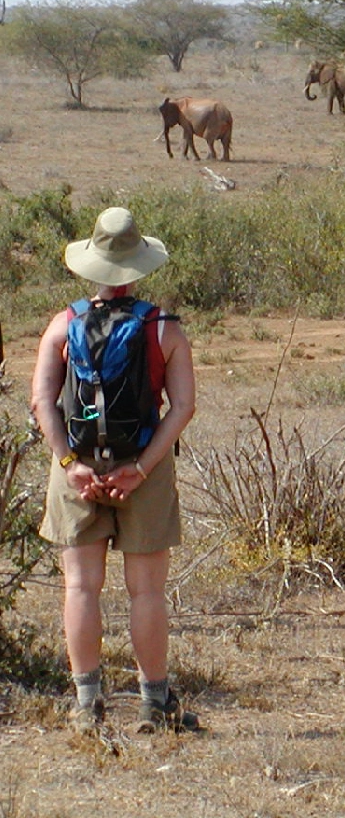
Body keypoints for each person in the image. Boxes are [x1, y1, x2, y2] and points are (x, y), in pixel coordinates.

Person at [31, 207, 197, 735]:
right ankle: (153, 705)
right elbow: (184, 407)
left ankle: (86, 705)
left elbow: (42, 401)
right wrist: (143, 469)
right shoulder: (164, 328)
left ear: (91, 265)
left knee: (80, 587)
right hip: (141, 468)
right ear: (139, 266)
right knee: (145, 591)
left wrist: (70, 465)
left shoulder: (63, 324)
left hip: (76, 469)